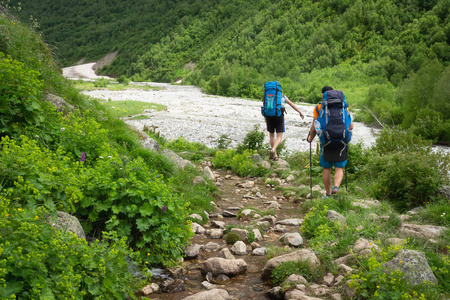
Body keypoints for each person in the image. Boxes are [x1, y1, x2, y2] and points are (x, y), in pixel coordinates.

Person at [307, 86, 354, 197]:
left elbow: (314, 127)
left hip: (326, 141)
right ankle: (336, 187)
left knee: (326, 168)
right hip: (341, 142)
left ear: (323, 94)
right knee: (339, 168)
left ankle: (328, 194)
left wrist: (310, 139)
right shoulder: (343, 107)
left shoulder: (319, 107)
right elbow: (351, 126)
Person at [266, 93, 305, 161]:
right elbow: (291, 104)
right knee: (279, 137)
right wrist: (299, 112)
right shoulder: (282, 95)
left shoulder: (268, 95)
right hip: (279, 115)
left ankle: (275, 155)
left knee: (271, 136)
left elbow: (265, 107)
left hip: (269, 116)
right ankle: (273, 149)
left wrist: (266, 121)